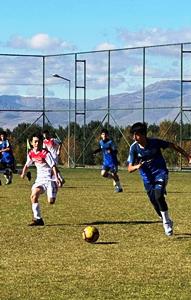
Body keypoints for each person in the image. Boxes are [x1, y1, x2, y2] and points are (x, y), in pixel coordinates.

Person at [127, 122, 191, 236]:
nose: (134, 137)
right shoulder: (134, 148)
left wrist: (187, 156)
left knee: (159, 195)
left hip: (160, 173)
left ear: (143, 135)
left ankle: (166, 224)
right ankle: (166, 219)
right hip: (147, 180)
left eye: (136, 135)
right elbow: (129, 168)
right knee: (155, 203)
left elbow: (172, 145)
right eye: (133, 135)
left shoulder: (155, 142)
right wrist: (137, 166)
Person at [21, 133, 61, 226]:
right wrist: (23, 173)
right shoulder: (31, 153)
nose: (37, 143)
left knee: (51, 201)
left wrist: (57, 178)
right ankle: (38, 220)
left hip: (50, 180)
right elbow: (27, 164)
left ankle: (54, 187)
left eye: (38, 141)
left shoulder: (45, 153)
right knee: (33, 196)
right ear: (31, 143)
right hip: (40, 180)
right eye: (35, 141)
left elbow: (53, 166)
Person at [93, 128, 123, 193]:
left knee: (114, 174)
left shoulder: (110, 142)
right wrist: (96, 151)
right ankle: (114, 178)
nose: (104, 135)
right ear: (101, 135)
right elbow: (101, 148)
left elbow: (116, 151)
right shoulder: (101, 142)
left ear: (107, 135)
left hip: (112, 162)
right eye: (103, 134)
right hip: (106, 162)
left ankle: (119, 188)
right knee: (103, 174)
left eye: (106, 134)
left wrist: (111, 150)